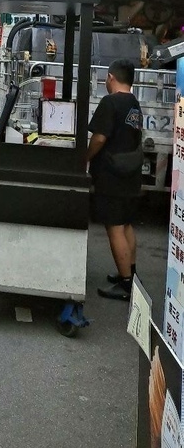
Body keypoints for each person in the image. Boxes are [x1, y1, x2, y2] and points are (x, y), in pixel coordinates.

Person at [87, 58, 144, 301]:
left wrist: (85, 158)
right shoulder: (133, 103)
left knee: (115, 227)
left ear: (111, 77)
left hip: (112, 174)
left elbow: (99, 138)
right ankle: (130, 273)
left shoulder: (110, 103)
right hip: (131, 173)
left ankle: (125, 284)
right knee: (126, 223)